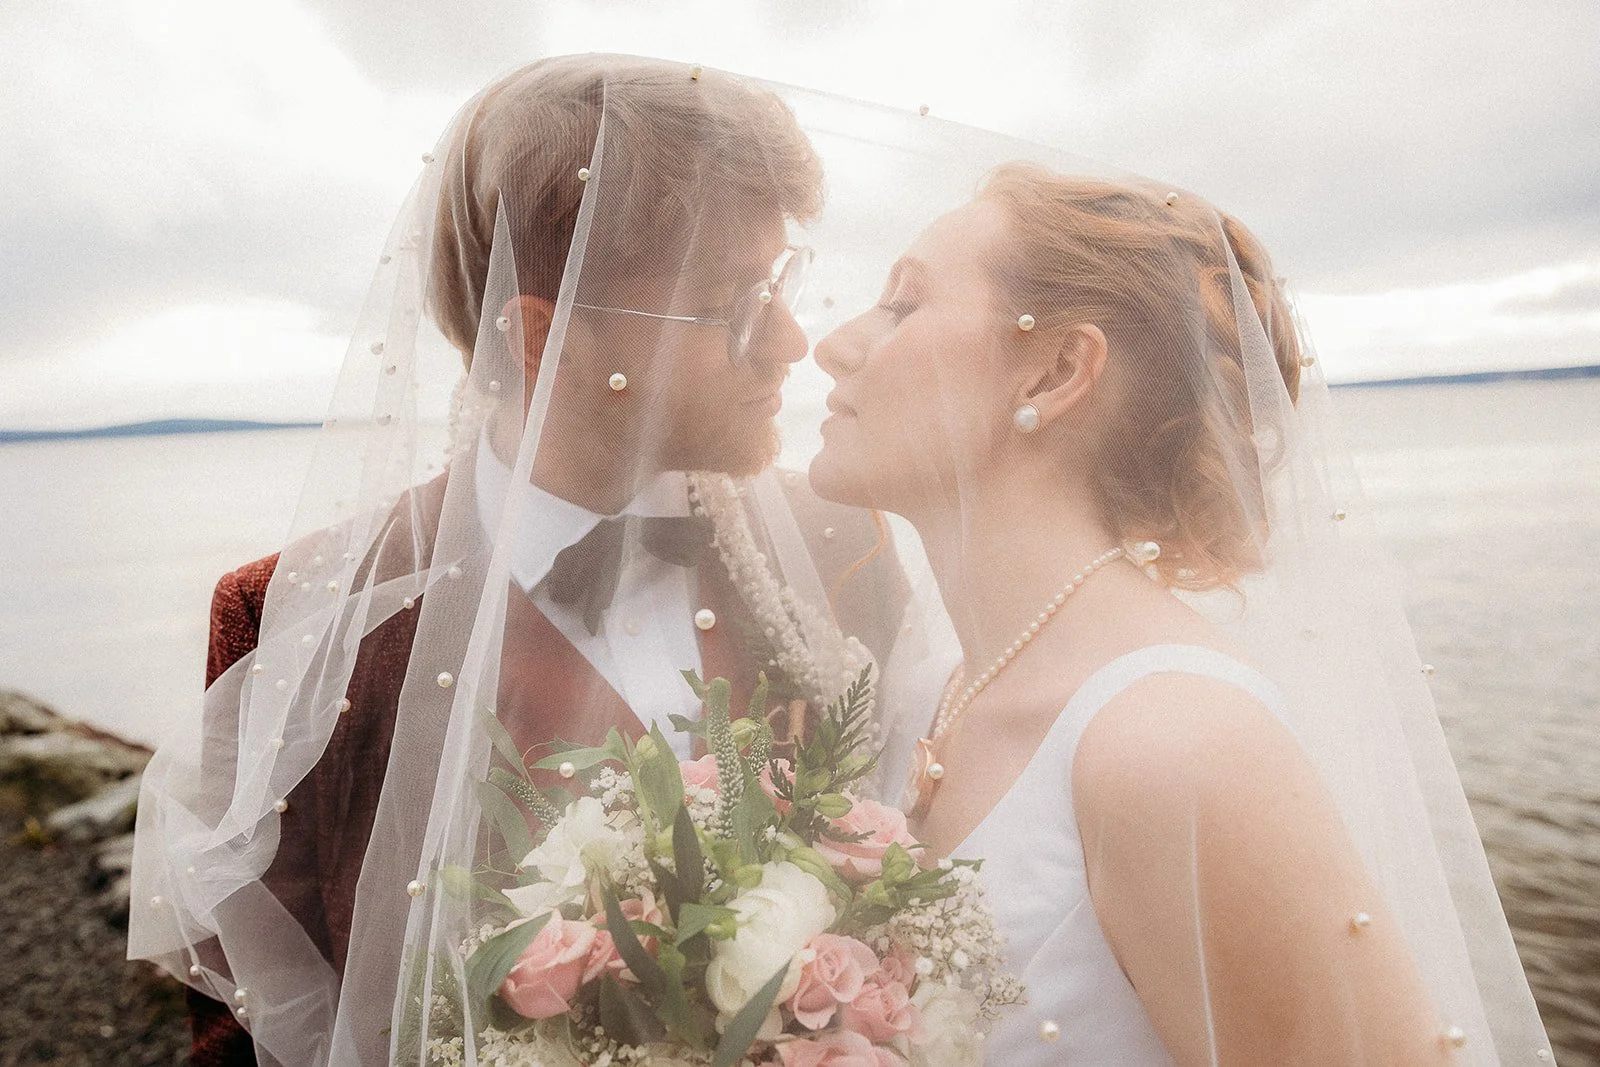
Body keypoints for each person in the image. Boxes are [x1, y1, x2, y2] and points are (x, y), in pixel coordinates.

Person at [130, 55, 903, 1067]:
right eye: (734, 304)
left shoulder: (853, 549)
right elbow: (248, 1017)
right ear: (544, 338)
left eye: (780, 283)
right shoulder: (291, 617)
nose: (795, 341)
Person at [808, 163, 1556, 1064]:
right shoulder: (936, 686)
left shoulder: (1172, 746)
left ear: (1055, 370)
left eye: (902, 304)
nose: (836, 346)